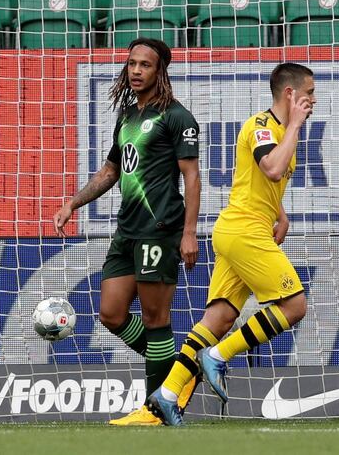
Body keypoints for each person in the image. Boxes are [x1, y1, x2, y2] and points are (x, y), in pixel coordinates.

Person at [146, 62, 314, 426]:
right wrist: (296, 126)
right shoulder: (261, 126)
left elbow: (261, 182)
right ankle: (219, 355)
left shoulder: (284, 132)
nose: (312, 101)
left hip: (241, 228)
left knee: (219, 316)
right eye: (309, 93)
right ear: (291, 93)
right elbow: (270, 168)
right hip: (244, 231)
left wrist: (280, 213)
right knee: (295, 305)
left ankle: (167, 393)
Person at [53, 37, 201, 426]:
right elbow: (110, 172)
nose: (136, 70)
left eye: (145, 65)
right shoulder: (127, 116)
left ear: (160, 71)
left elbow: (192, 177)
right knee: (111, 314)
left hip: (161, 228)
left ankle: (154, 409)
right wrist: (73, 203)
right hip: (127, 230)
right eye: (131, 63)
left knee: (156, 320)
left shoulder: (177, 117)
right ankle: (181, 375)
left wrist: (189, 232)